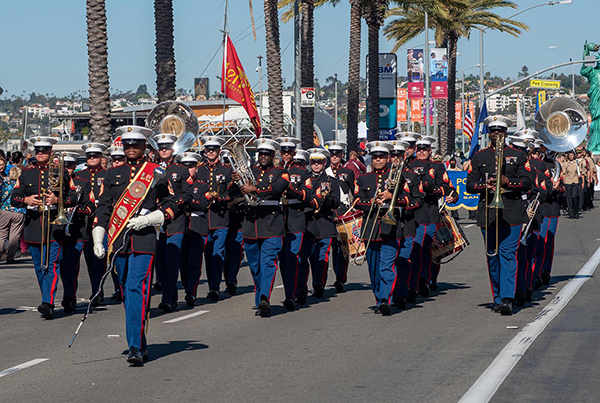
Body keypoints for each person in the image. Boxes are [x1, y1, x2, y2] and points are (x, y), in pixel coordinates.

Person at [92, 125, 177, 366]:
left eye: (135, 144)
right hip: (118, 241)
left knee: (135, 288)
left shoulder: (156, 172)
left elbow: (171, 205)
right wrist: (99, 239)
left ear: (144, 147)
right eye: (127, 145)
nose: (130, 148)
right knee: (126, 293)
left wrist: (149, 219)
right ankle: (140, 342)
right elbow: (103, 209)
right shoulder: (110, 175)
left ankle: (134, 347)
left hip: (144, 239)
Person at [467, 116, 532, 315]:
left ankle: (506, 298)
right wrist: (484, 186)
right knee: (492, 257)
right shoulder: (479, 157)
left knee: (508, 255)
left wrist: (507, 181)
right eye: (493, 131)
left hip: (512, 212)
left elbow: (528, 181)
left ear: (506, 133)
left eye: (501, 131)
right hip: (488, 212)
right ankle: (497, 296)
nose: (497, 134)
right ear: (489, 133)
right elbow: (470, 185)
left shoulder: (518, 155)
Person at [11, 137, 78, 319]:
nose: (40, 153)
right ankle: (46, 297)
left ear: (50, 152)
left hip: (54, 225)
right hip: (33, 226)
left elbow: (73, 197)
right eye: (38, 150)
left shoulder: (61, 173)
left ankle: (47, 302)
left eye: (44, 151)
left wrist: (57, 200)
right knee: (40, 267)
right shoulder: (26, 174)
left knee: (52, 265)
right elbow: (14, 197)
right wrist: (26, 200)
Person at [233, 138, 288, 317]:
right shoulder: (250, 172)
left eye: (267, 154)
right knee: (255, 266)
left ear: (273, 155)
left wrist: (254, 188)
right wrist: (235, 182)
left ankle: (265, 296)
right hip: (251, 224)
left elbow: (279, 187)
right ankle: (260, 298)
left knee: (268, 263)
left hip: (272, 224)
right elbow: (233, 194)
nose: (263, 156)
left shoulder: (282, 172)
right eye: (261, 153)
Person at [354, 141, 399, 315]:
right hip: (371, 228)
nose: (378, 160)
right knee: (373, 269)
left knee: (386, 266)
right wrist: (372, 202)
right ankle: (379, 296)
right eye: (375, 157)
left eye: (381, 157)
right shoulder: (364, 179)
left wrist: (390, 196)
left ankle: (385, 299)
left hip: (391, 227)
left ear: (387, 158)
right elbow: (357, 201)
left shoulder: (397, 177)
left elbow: (407, 199)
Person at [152, 133, 192, 313]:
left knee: (171, 261)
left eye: (167, 147)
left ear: (173, 149)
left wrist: (173, 204)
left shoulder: (181, 170)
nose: (164, 150)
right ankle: (172, 296)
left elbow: (188, 194)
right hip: (154, 221)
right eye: (161, 147)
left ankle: (167, 299)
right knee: (159, 263)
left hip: (175, 221)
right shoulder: (150, 169)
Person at [297, 147, 340, 302]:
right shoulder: (304, 179)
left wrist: (325, 200)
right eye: (313, 162)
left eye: (319, 162)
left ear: (324, 163)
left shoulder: (332, 181)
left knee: (321, 257)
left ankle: (318, 284)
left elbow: (336, 202)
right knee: (304, 257)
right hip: (308, 223)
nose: (316, 165)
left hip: (324, 223)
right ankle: (301, 287)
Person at [195, 136, 232, 301]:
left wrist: (220, 197)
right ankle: (212, 285)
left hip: (220, 217)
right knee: (208, 254)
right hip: (204, 218)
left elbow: (232, 193)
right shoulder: (199, 170)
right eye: (208, 149)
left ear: (219, 151)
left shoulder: (226, 170)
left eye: (213, 149)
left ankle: (215, 286)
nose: (210, 152)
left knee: (218, 252)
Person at [276, 138, 311, 309]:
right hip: (277, 220)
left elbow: (308, 195)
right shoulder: (274, 171)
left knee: (293, 257)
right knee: (283, 259)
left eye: (289, 152)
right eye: (283, 152)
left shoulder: (303, 173)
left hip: (296, 219)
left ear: (294, 153)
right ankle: (291, 291)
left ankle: (296, 290)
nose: (286, 155)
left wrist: (291, 189)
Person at [59, 151, 93, 312]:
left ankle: (69, 296)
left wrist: (78, 209)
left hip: (77, 230)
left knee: (72, 265)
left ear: (74, 167)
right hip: (58, 230)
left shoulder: (83, 183)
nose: (67, 169)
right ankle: (68, 293)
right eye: (64, 166)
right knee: (61, 265)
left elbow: (90, 205)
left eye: (70, 166)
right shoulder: (55, 184)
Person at [75, 142, 109, 306]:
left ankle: (98, 289)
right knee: (88, 259)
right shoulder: (79, 176)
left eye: (95, 156)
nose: (92, 158)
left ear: (101, 157)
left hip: (101, 221)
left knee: (99, 258)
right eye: (89, 156)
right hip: (84, 222)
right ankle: (95, 289)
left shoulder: (108, 175)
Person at [325, 140, 354, 293]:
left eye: (337, 154)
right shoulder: (325, 172)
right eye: (332, 154)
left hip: (343, 211)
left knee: (342, 248)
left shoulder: (347, 172)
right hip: (329, 212)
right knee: (329, 247)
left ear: (342, 155)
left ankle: (340, 278)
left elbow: (354, 193)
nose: (334, 156)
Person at [0, 166, 26, 264]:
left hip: (5, 209)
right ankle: (10, 257)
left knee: (2, 233)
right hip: (19, 210)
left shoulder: (5, 184)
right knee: (14, 235)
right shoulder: (22, 185)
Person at [561, 150, 580, 219]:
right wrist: (563, 182)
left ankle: (576, 211)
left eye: (572, 155)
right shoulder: (566, 164)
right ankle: (571, 213)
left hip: (575, 181)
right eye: (570, 155)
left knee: (574, 196)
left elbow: (579, 172)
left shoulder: (576, 163)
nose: (571, 157)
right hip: (568, 182)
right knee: (568, 198)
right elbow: (564, 173)